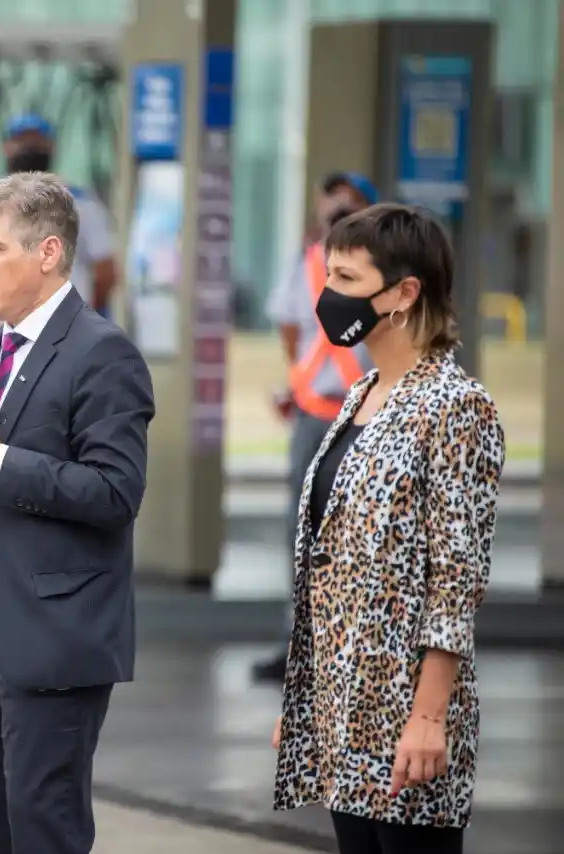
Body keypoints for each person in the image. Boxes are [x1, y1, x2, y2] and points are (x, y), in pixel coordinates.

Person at [0, 172, 155, 854]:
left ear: (46, 253)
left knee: (44, 830)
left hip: (51, 634)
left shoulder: (103, 354)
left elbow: (114, 493)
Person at [271, 204, 505, 854]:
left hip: (408, 715)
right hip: (344, 712)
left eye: (347, 279)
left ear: (404, 294)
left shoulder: (457, 407)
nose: (328, 295)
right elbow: (331, 560)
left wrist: (429, 717)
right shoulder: (363, 394)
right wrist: (305, 700)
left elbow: (457, 580)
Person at [253, 170, 377, 683]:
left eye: (349, 204)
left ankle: (355, 645)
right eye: (331, 203)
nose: (337, 211)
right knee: (300, 529)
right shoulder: (306, 263)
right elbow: (288, 327)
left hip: (366, 415)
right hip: (314, 412)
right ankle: (299, 641)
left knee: (361, 530)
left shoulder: (383, 266)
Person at [0, 113, 117, 323]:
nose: (29, 147)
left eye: (36, 141)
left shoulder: (81, 203)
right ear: (6, 147)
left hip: (64, 326)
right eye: (21, 140)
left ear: (51, 147)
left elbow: (105, 271)